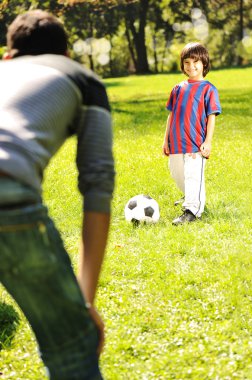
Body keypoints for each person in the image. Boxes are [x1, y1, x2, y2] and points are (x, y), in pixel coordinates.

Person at [0, 9, 115, 380]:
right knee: (73, 348)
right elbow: (97, 187)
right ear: (66, 55)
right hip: (8, 198)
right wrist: (83, 304)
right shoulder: (83, 79)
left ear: (7, 55)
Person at [162, 42, 221, 225]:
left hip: (196, 142)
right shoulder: (178, 88)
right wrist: (166, 140)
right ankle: (190, 197)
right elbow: (171, 115)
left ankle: (192, 211)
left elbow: (211, 116)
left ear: (204, 63)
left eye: (196, 62)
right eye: (187, 62)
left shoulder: (208, 89)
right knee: (177, 172)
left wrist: (208, 142)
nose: (191, 66)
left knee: (193, 175)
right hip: (176, 142)